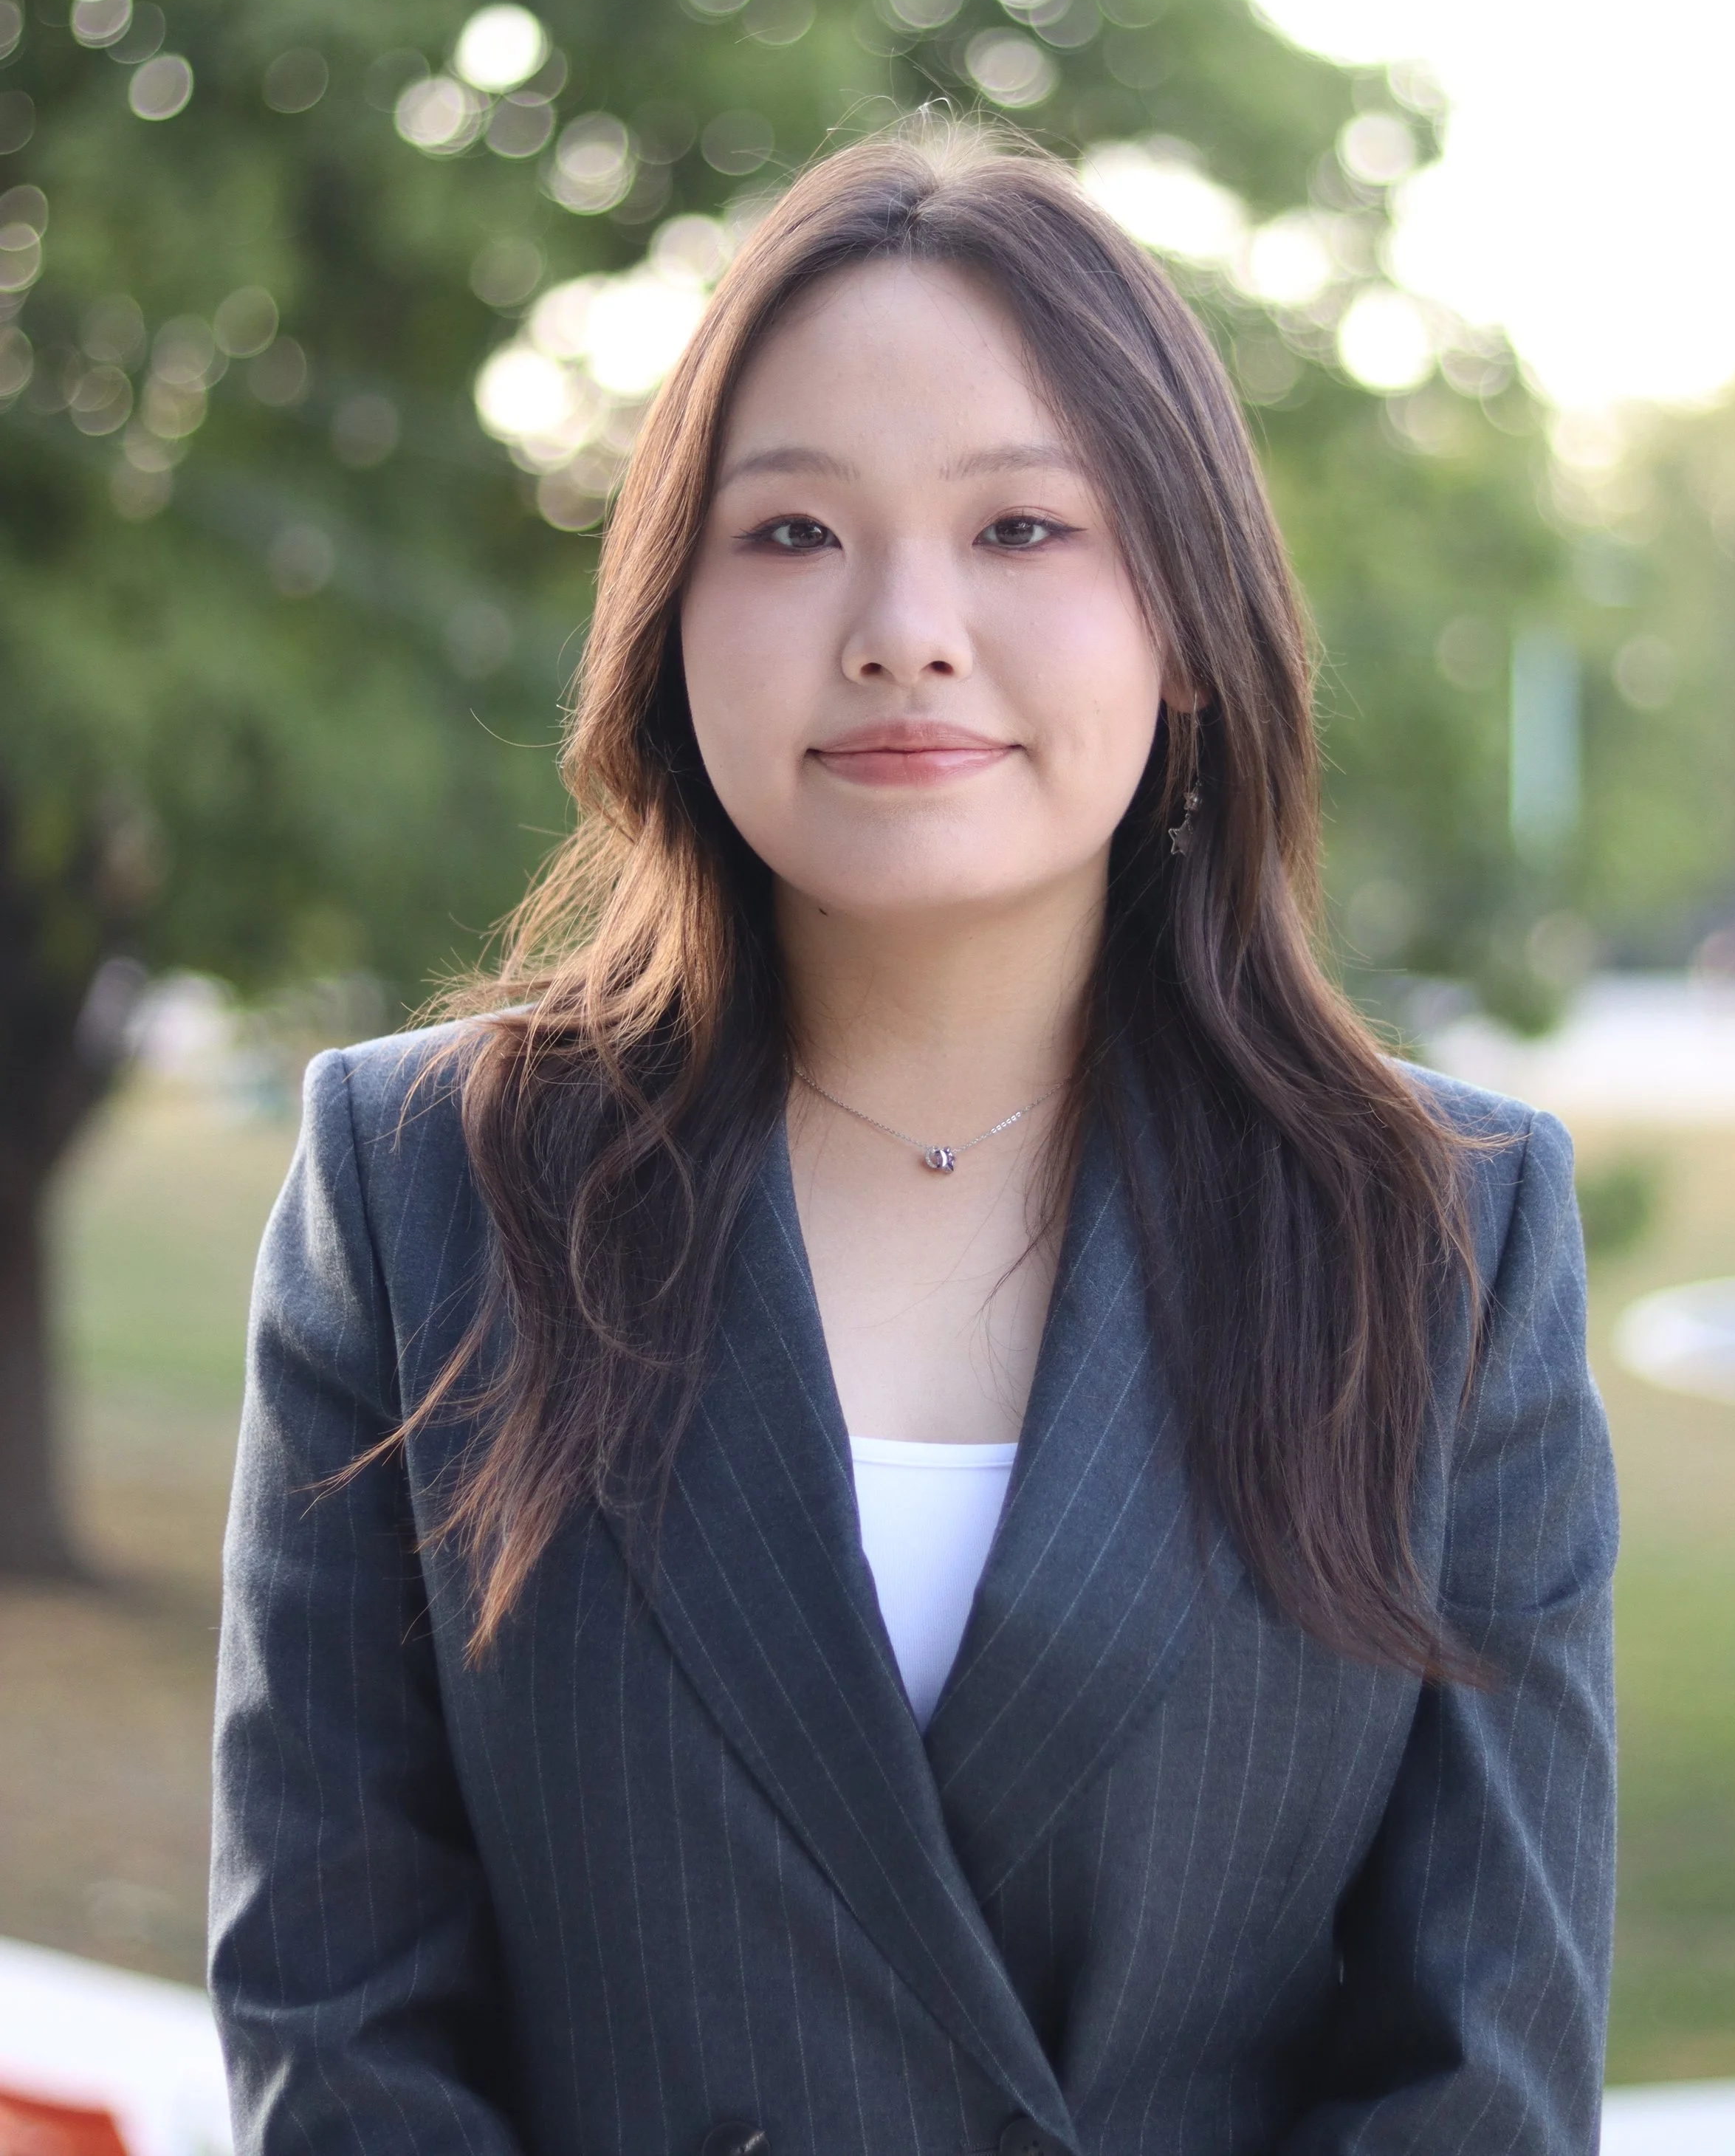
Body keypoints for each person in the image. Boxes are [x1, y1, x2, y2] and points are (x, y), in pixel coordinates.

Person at [209, 126, 1618, 2156]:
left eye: (1021, 528)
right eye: (790, 533)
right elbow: (336, 2017)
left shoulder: (1437, 1239)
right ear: (666, 615)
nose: (902, 627)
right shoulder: (420, 1184)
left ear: (1187, 612)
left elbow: (1478, 2069)